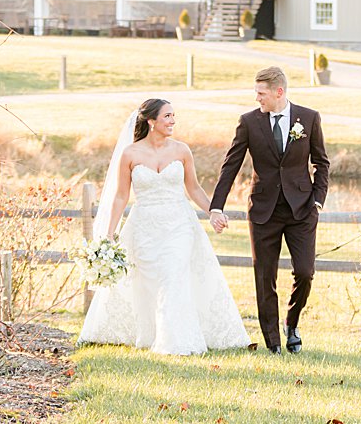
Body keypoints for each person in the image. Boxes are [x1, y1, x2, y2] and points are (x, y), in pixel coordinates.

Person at [77, 98, 250, 355]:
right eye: (167, 116)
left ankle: (176, 342)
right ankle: (152, 334)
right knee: (151, 283)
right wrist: (110, 233)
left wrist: (213, 211)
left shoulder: (181, 151)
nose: (172, 121)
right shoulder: (131, 154)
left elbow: (193, 188)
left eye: (173, 115)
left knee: (173, 275)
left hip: (179, 224)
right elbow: (121, 196)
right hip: (144, 227)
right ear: (151, 121)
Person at [209, 66, 330, 354]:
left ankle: (292, 321)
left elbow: (321, 162)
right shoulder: (249, 122)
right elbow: (231, 164)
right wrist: (217, 206)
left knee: (305, 271)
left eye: (261, 93)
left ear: (279, 92)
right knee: (265, 276)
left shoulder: (309, 118)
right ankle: (273, 343)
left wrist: (317, 199)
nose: (257, 99)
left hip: (301, 209)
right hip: (264, 210)